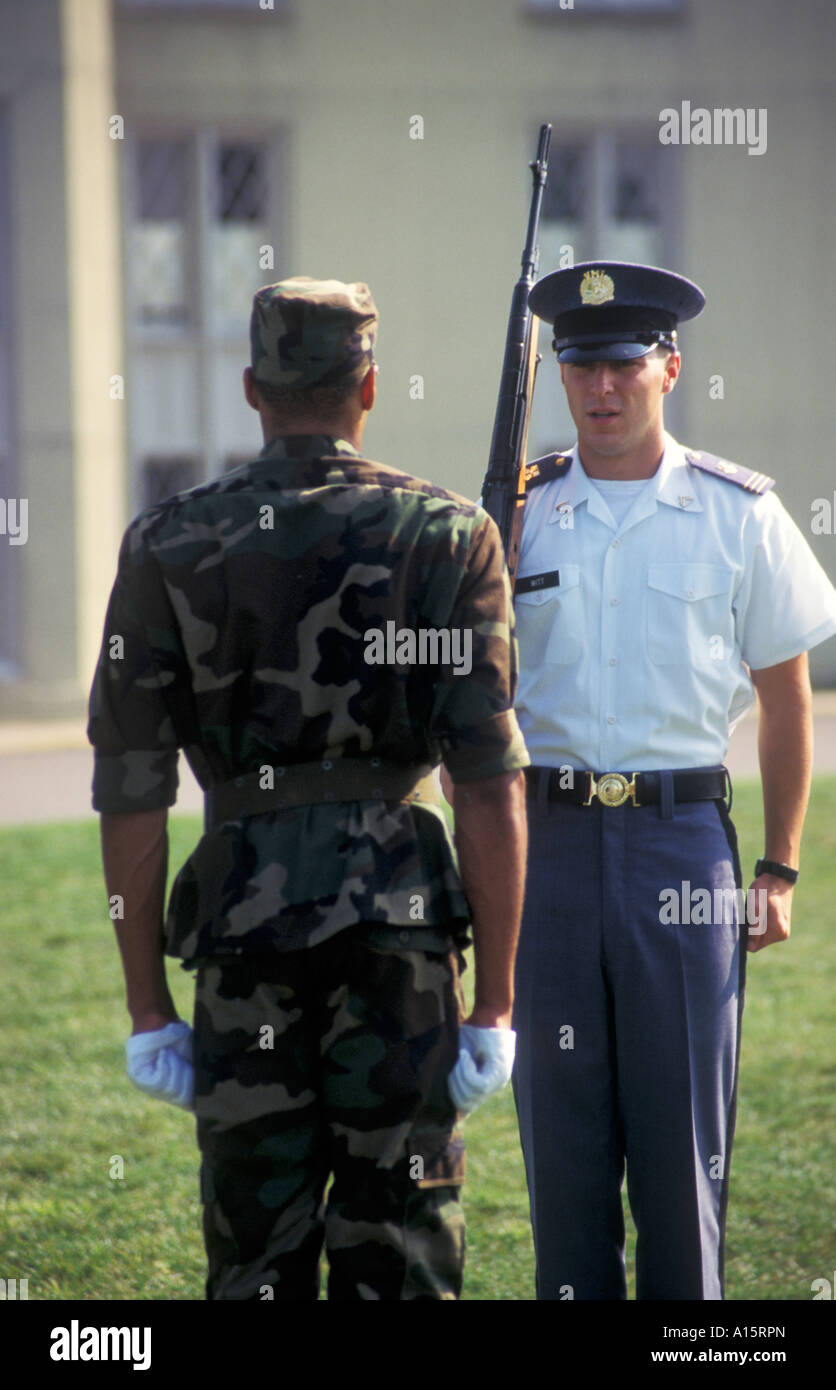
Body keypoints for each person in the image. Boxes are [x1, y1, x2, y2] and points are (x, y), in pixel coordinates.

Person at [87, 276, 529, 1301]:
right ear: (368, 385)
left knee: (254, 1259)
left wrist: (149, 1008)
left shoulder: (166, 544)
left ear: (251, 387)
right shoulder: (450, 533)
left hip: (244, 947)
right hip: (402, 947)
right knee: (402, 1252)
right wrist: (498, 1005)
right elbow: (487, 784)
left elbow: (131, 789)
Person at [511, 259, 836, 1301]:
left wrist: (779, 866)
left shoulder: (736, 513)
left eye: (621, 366)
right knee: (558, 1149)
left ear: (667, 368)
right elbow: (468, 706)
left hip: (678, 845)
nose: (600, 389)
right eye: (579, 366)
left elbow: (787, 699)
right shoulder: (515, 514)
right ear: (558, 374)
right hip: (546, 848)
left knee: (680, 1144)